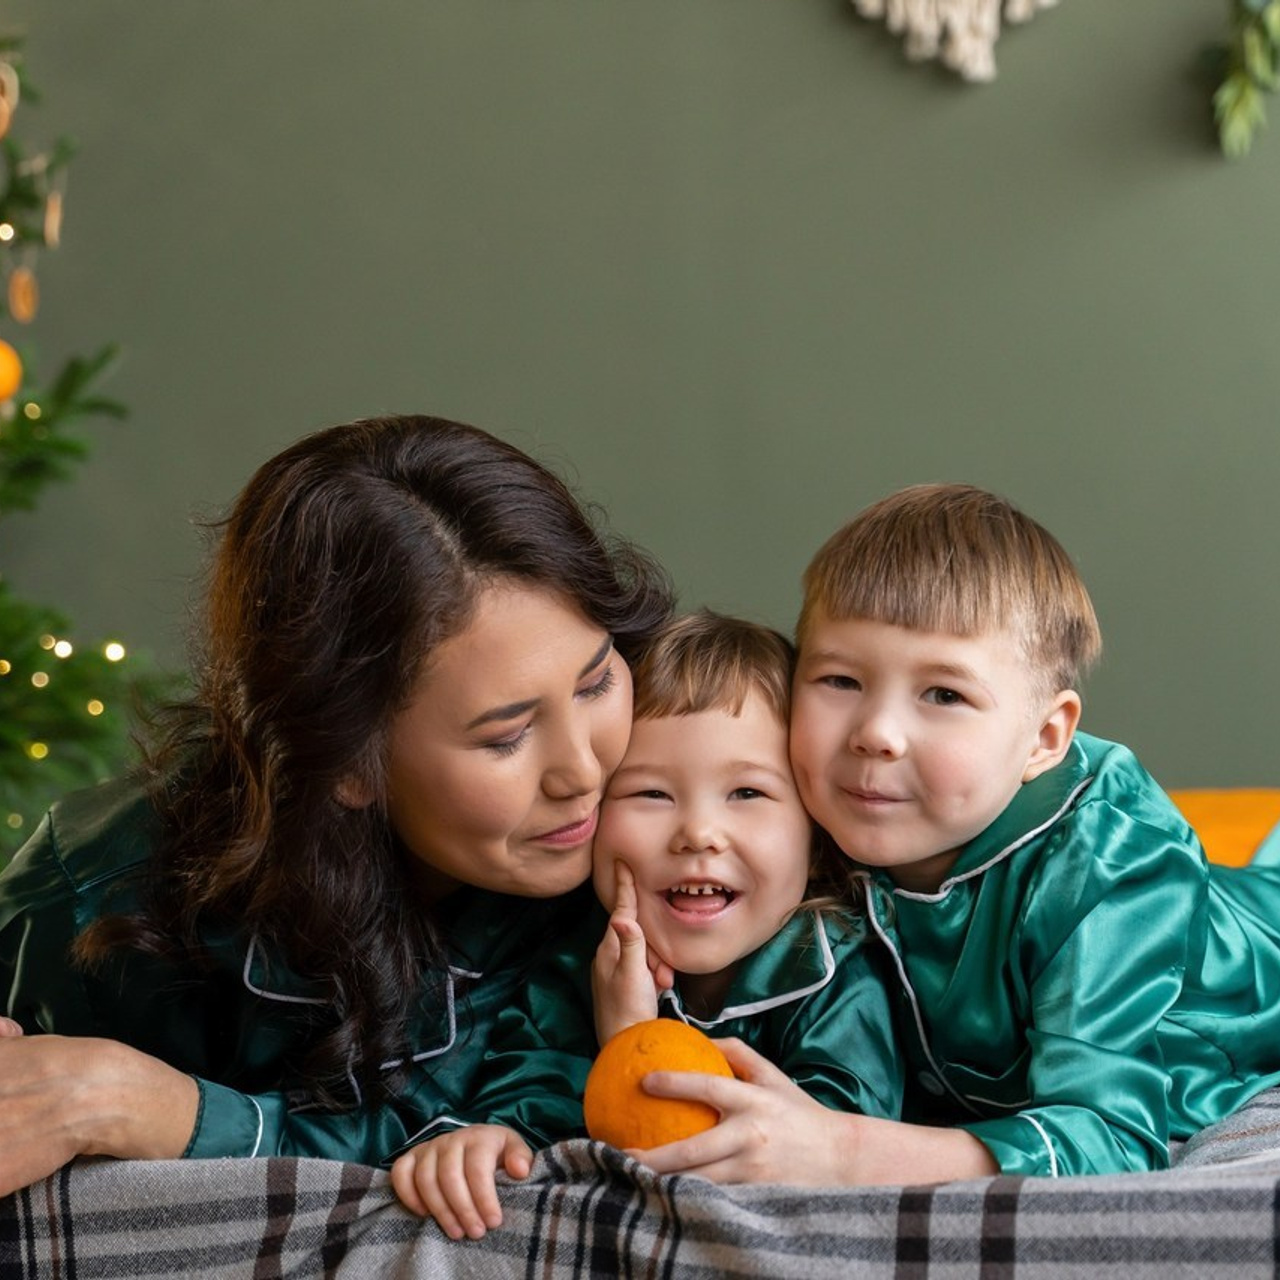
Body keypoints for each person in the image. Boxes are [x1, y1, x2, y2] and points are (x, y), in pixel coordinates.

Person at [0, 413, 673, 1197]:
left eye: (596, 683)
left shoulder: (665, 820)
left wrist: (143, 1105)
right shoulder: (92, 895)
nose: (585, 770)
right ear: (347, 762)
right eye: (506, 737)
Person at [636, 482, 1280, 1184]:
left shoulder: (1109, 861)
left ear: (1043, 737)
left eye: (943, 694)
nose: (876, 733)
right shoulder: (812, 805)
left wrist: (840, 1150)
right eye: (840, 680)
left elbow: (1110, 1136)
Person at [391, 610, 903, 1235]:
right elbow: (527, 1102)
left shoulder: (835, 969)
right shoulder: (580, 959)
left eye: (748, 794)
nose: (697, 834)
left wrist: (633, 1043)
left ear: (816, 832)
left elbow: (816, 1155)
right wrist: (480, 1140)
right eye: (650, 795)